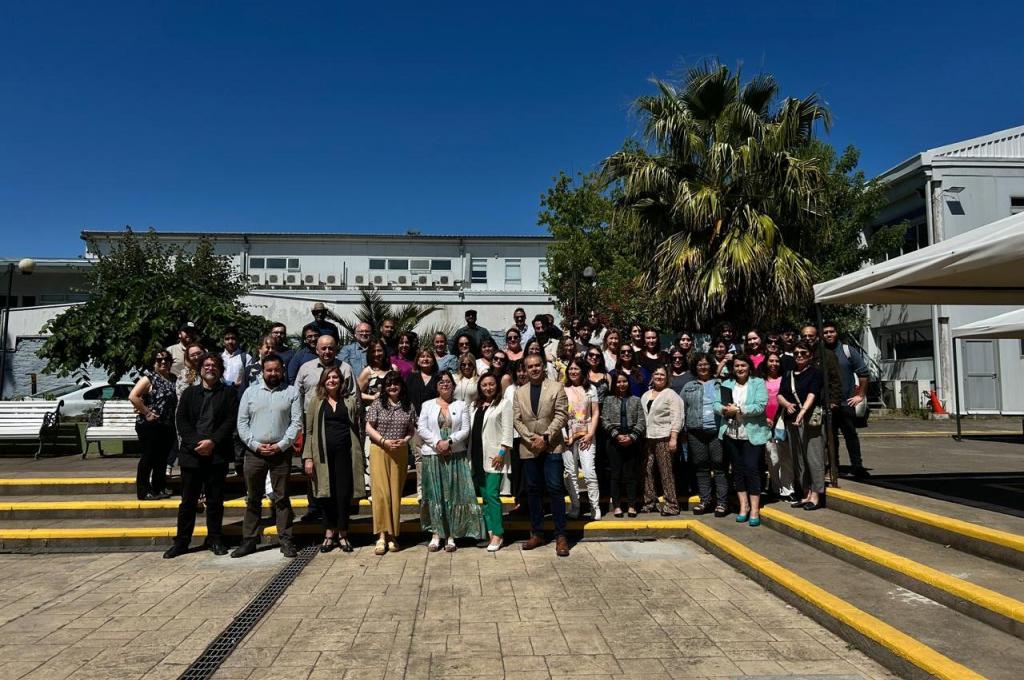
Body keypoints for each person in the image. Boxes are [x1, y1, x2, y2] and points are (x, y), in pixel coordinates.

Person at [165, 352, 237, 559]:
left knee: (215, 501)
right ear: (200, 369)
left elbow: (230, 421)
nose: (210, 368)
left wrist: (212, 442)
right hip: (192, 455)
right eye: (206, 365)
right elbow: (181, 420)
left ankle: (214, 538)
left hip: (217, 455)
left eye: (214, 365)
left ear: (220, 370)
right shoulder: (189, 394)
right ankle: (182, 541)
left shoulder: (228, 394)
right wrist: (197, 443)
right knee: (188, 501)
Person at [233, 354, 303, 558]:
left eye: (276, 370)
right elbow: (242, 423)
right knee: (253, 498)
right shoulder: (250, 392)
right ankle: (249, 540)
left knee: (282, 498)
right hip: (255, 453)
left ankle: (286, 540)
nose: (273, 373)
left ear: (282, 370)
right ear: (262, 371)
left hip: (281, 453)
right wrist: (255, 445)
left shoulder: (291, 392)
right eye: (269, 370)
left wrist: (281, 446)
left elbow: (296, 422)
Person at [417, 371, 485, 552]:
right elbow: (421, 427)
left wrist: (450, 442)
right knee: (435, 495)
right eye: (441, 382)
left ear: (453, 386)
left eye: (448, 382)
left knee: (455, 495)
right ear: (436, 386)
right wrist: (437, 442)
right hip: (433, 454)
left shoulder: (461, 405)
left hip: (455, 454)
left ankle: (452, 535)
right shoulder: (427, 405)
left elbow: (465, 429)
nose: (445, 384)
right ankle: (436, 534)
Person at [302, 365, 366, 553]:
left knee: (343, 494)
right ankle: (329, 533)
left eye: (335, 377)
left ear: (341, 381)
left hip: (345, 454)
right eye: (328, 377)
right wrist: (308, 458)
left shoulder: (350, 401)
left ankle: (343, 534)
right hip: (322, 456)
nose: (332, 380)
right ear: (323, 381)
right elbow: (309, 431)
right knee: (326, 494)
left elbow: (357, 426)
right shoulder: (316, 401)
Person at [514, 354, 570, 556]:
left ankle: (561, 535)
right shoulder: (519, 392)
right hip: (529, 448)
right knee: (533, 491)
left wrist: (545, 437)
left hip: (552, 446)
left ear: (543, 367)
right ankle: (537, 532)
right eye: (530, 366)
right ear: (525, 369)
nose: (534, 369)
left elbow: (562, 415)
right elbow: (517, 419)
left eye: (538, 365)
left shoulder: (556, 387)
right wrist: (532, 439)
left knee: (555, 489)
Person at [365, 371, 417, 555]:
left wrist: (406, 440)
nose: (392, 387)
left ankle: (393, 535)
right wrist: (383, 441)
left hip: (399, 452)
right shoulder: (378, 404)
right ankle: (381, 535)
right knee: (381, 494)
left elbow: (412, 429)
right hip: (380, 449)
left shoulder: (408, 406)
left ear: (401, 385)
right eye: (388, 384)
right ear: (384, 387)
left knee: (395, 494)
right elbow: (368, 426)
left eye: (395, 384)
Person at [715, 355, 769, 526]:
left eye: (743, 365)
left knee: (752, 469)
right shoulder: (726, 383)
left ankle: (754, 509)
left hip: (751, 434)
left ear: (749, 367)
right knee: (737, 470)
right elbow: (716, 403)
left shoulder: (758, 383)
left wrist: (739, 409)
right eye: (737, 366)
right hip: (731, 434)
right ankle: (743, 506)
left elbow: (761, 405)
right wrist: (724, 410)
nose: (740, 368)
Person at [778, 342, 825, 511]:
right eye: (796, 352)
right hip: (792, 420)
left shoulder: (815, 373)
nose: (799, 355)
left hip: (810, 420)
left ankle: (816, 494)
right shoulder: (788, 374)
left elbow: (813, 393)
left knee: (813, 457)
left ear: (810, 355)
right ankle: (805, 493)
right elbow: (780, 394)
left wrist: (803, 411)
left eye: (803, 352)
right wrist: (787, 404)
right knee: (797, 458)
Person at [469, 372, 512, 551]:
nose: (488, 388)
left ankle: (499, 534)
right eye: (484, 385)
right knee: (485, 497)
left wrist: (502, 453)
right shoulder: (474, 405)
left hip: (495, 457)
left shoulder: (504, 404)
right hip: (477, 456)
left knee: (493, 495)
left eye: (491, 384)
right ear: (480, 387)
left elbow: (508, 431)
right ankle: (490, 531)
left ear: (497, 386)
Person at [822, 322, 870, 478]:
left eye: (831, 331)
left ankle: (857, 466)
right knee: (829, 438)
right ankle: (832, 467)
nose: (828, 334)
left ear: (837, 333)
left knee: (850, 435)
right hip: (826, 403)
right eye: (825, 332)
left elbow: (863, 373)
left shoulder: (847, 351)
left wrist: (860, 395)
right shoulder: (819, 352)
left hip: (845, 403)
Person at [129, 350, 177, 500]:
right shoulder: (149, 378)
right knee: (149, 457)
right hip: (150, 425)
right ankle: (144, 490)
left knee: (162, 458)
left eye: (166, 360)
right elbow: (133, 396)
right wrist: (147, 412)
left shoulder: (173, 378)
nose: (163, 362)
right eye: (159, 360)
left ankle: (159, 487)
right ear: (154, 362)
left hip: (167, 424)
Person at [683, 353, 727, 516]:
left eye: (706, 364)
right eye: (699, 364)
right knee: (701, 467)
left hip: (716, 431)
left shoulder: (720, 383)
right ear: (695, 367)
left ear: (711, 366)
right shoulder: (688, 386)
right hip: (696, 432)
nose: (703, 367)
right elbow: (682, 408)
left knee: (719, 466)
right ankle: (705, 500)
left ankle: (722, 503)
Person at [640, 366, 683, 515]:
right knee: (647, 470)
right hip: (648, 437)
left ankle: (672, 505)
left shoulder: (670, 394)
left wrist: (674, 437)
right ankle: (649, 501)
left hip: (664, 437)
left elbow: (677, 416)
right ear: (652, 376)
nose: (659, 376)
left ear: (667, 378)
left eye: (662, 375)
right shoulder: (645, 395)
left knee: (666, 472)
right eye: (656, 373)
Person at [601, 372, 645, 518]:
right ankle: (617, 506)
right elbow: (604, 420)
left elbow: (641, 421)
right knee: (615, 474)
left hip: (632, 440)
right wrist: (616, 435)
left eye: (624, 381)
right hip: (614, 441)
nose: (621, 384)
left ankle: (632, 505)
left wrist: (632, 437)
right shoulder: (608, 400)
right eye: (618, 382)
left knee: (631, 474)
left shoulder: (636, 400)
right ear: (614, 384)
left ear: (628, 383)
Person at [563, 359, 601, 520]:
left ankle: (595, 507)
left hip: (586, 435)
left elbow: (595, 412)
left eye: (576, 369)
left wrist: (590, 433)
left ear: (582, 371)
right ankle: (575, 505)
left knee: (589, 472)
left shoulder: (591, 388)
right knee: (569, 473)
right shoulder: (562, 389)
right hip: (567, 437)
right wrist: (563, 435)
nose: (573, 372)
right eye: (570, 369)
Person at [762, 351, 795, 501]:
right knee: (772, 459)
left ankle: (788, 489)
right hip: (765, 423)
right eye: (771, 361)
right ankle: (776, 488)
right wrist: (764, 418)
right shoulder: (760, 381)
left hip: (782, 422)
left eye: (777, 361)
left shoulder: (786, 379)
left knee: (786, 458)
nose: (774, 364)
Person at [295, 335, 356, 407]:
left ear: (335, 349)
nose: (327, 351)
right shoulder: (305, 368)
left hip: (338, 415)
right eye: (323, 348)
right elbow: (297, 395)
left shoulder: (345, 368)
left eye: (330, 348)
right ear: (317, 350)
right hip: (311, 415)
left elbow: (353, 395)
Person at [357, 339, 391, 408]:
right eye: (373, 351)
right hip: (372, 413)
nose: (376, 354)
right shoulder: (367, 371)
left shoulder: (392, 369)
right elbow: (357, 393)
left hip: (391, 412)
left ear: (384, 351)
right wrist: (373, 397)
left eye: (379, 350)